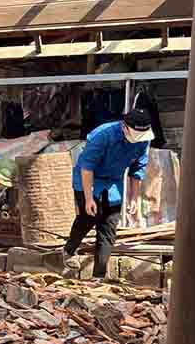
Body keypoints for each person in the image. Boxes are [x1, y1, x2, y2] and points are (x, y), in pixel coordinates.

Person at [62, 108, 152, 278]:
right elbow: (87, 167)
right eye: (136, 134)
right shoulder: (102, 135)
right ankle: (68, 250)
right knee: (89, 217)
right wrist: (89, 198)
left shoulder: (144, 139)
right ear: (124, 127)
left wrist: (134, 199)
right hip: (88, 178)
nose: (139, 139)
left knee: (108, 227)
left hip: (113, 182)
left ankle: (99, 276)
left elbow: (137, 170)